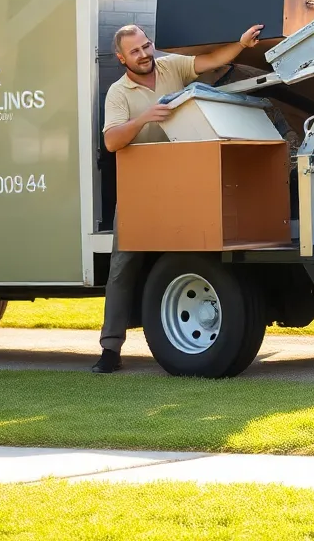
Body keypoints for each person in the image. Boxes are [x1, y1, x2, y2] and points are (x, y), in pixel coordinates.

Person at [91, 22, 264, 373]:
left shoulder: (171, 65)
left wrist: (242, 44)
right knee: (123, 268)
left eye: (146, 45)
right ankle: (110, 349)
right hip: (141, 187)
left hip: (181, 179)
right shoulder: (117, 93)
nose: (145, 54)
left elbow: (211, 60)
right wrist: (144, 119)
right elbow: (111, 142)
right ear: (122, 58)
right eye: (136, 51)